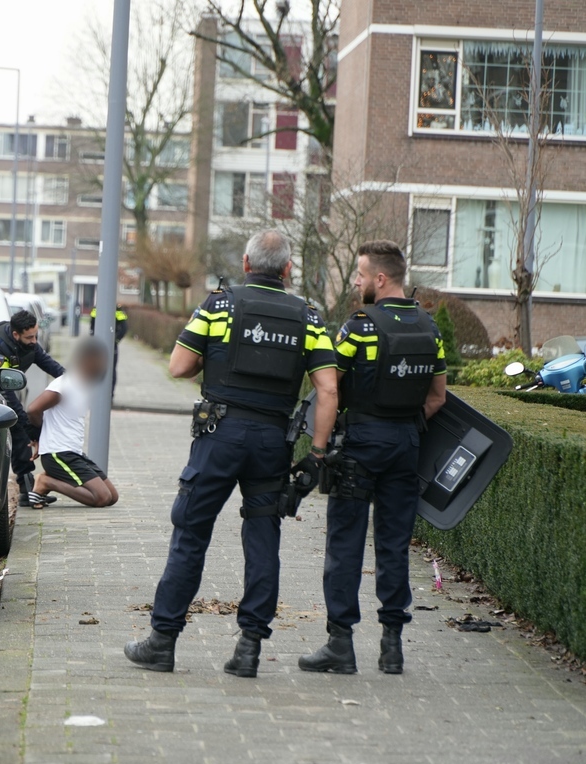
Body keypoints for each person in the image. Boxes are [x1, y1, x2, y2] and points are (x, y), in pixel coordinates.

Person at [124, 229, 339, 677]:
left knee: (191, 532)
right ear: (287, 270)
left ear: (245, 264)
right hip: (271, 443)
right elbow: (328, 388)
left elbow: (180, 366)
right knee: (263, 539)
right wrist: (317, 455)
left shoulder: (219, 305)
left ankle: (162, 642)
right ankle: (249, 649)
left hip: (219, 435)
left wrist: (217, 358)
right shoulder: (309, 317)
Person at [299, 241, 447, 676]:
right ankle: (392, 648)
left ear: (380, 279)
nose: (357, 282)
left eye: (361, 275)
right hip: (406, 443)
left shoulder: (359, 327)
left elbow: (331, 387)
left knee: (344, 544)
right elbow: (437, 398)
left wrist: (320, 448)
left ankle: (340, 646)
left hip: (361, 443)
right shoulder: (429, 327)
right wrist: (402, 422)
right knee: (394, 544)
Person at [0, 310, 66, 504]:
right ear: (16, 335)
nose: (35, 340)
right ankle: (27, 491)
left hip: (10, 385)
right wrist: (29, 429)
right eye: (30, 337)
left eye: (35, 335)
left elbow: (48, 363)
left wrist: (72, 381)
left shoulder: (28, 341)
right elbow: (5, 394)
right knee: (20, 431)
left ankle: (30, 490)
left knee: (24, 431)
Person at [25, 337, 119, 509]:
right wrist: (39, 437)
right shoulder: (64, 385)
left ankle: (48, 481)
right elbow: (33, 410)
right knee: (101, 497)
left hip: (73, 453)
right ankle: (46, 482)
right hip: (58, 454)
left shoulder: (83, 385)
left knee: (112, 496)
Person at [89, 304, 129, 398]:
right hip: (104, 345)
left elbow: (91, 328)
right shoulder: (112, 309)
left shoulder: (113, 309)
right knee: (107, 369)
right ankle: (106, 394)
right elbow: (124, 329)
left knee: (106, 369)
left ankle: (106, 394)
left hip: (102, 345)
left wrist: (115, 340)